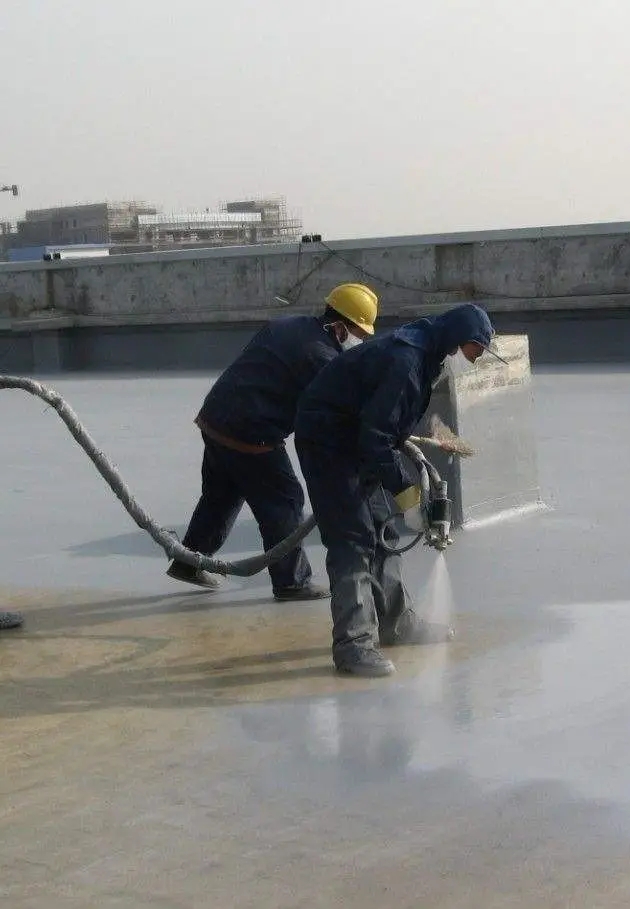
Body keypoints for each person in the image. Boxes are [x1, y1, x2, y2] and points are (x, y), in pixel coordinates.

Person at [294, 303, 505, 677]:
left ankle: (395, 623)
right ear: (462, 340)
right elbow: (375, 438)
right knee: (353, 540)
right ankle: (354, 647)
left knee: (383, 531)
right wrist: (409, 496)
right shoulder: (407, 361)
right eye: (477, 350)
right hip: (329, 447)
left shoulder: (427, 351)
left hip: (354, 442)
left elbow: (383, 426)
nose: (475, 360)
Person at [166, 283, 379, 600]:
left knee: (220, 496)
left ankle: (189, 561)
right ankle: (291, 581)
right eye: (358, 334)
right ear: (339, 326)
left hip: (215, 419)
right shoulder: (320, 357)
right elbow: (337, 412)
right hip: (250, 433)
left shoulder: (289, 324)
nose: (359, 341)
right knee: (285, 500)